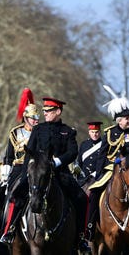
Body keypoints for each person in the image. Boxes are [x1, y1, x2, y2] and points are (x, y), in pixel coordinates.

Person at [84, 85, 129, 244]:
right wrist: (98, 174)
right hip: (111, 169)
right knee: (94, 193)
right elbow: (101, 155)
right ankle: (90, 227)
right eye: (126, 118)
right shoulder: (109, 133)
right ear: (118, 119)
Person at [19, 97, 86, 247]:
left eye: (48, 111)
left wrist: (57, 162)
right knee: (14, 195)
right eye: (44, 111)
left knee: (82, 198)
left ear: (58, 111)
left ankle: (81, 237)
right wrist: (24, 176)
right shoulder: (38, 129)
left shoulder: (67, 131)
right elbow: (29, 153)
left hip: (60, 174)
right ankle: (8, 230)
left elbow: (73, 152)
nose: (45, 113)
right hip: (38, 175)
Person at [0, 88, 38, 244]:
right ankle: (2, 229)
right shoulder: (15, 133)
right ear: (26, 117)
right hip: (18, 169)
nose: (36, 120)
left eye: (37, 117)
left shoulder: (41, 132)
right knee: (9, 196)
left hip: (35, 169)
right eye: (33, 118)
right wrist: (5, 173)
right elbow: (9, 156)